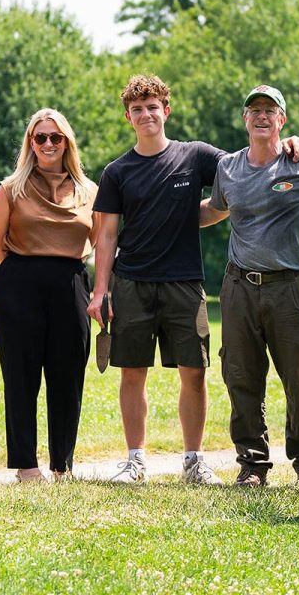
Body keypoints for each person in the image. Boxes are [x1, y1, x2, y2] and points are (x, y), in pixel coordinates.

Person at [85, 74, 229, 486]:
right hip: (132, 282)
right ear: (128, 117)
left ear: (166, 110)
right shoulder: (117, 171)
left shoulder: (195, 156)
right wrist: (100, 291)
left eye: (153, 107)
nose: (146, 114)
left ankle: (194, 461)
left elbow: (245, 170)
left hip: (185, 281)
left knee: (194, 371)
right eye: (137, 109)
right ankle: (134, 461)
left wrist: (214, 212)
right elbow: (107, 235)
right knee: (132, 371)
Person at [200, 85, 299, 487]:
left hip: (289, 286)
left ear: (282, 120)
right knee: (240, 374)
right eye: (253, 110)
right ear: (244, 119)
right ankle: (252, 464)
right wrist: (165, 215)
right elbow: (216, 209)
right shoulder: (228, 168)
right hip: (239, 285)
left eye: (269, 110)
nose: (261, 116)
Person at [0, 109, 97, 483]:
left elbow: (102, 241)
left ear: (67, 142)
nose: (48, 144)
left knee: (68, 378)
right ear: (30, 143)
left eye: (55, 137)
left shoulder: (89, 191)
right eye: (40, 137)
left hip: (72, 284)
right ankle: (26, 466)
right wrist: (25, 272)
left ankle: (63, 465)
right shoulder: (11, 188)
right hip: (20, 283)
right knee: (21, 376)